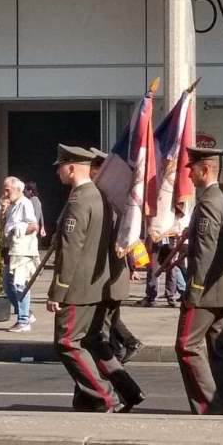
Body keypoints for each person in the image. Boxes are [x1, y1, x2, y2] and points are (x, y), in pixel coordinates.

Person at [45, 145, 120, 412]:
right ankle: (98, 396)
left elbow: (70, 250)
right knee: (87, 341)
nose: (57, 172)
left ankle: (106, 395)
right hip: (96, 284)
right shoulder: (99, 196)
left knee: (67, 342)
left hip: (77, 287)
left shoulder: (79, 201)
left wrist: (58, 291)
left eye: (61, 166)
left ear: (72, 168)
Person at [175, 147, 223, 415]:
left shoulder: (210, 201)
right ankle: (222, 402)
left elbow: (206, 249)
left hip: (207, 289)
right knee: (219, 347)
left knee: (186, 344)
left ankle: (208, 403)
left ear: (205, 169)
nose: (188, 174)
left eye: (192, 168)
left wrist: (195, 288)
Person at [89, 147, 143, 363]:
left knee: (104, 317)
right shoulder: (110, 201)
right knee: (109, 315)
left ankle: (114, 355)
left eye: (94, 170)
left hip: (110, 273)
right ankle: (124, 346)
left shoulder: (110, 202)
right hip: (112, 273)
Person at [1, 176, 39, 333]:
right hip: (12, 250)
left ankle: (23, 320)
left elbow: (33, 225)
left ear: (18, 189)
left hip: (23, 251)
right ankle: (26, 313)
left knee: (19, 284)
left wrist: (17, 230)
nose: (5, 193)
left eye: (7, 190)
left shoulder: (25, 204)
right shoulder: (13, 205)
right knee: (7, 285)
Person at [24, 181, 46, 246]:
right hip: (34, 228)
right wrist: (42, 226)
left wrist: (37, 226)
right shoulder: (35, 200)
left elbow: (38, 215)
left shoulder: (34, 200)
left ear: (30, 191)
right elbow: (41, 214)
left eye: (26, 191)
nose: (24, 193)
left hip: (32, 229)